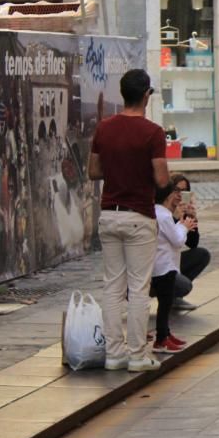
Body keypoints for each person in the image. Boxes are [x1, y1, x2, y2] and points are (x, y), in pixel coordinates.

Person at [88, 69, 169, 372]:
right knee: (138, 288)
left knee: (111, 286)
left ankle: (114, 354)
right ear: (147, 95)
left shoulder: (104, 128)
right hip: (138, 216)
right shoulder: (152, 132)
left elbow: (93, 171)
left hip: (109, 214)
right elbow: (161, 179)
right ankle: (137, 355)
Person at [150, 181, 194, 354]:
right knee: (165, 304)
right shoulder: (164, 216)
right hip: (164, 267)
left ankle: (166, 334)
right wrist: (184, 226)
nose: (177, 196)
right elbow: (177, 240)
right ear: (167, 195)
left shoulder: (159, 213)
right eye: (174, 192)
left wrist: (180, 225)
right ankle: (161, 339)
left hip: (161, 265)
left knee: (165, 303)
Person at [169, 174, 209, 311]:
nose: (180, 195)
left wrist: (192, 219)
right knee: (184, 285)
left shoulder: (182, 211)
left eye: (184, 191)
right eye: (176, 190)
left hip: (173, 262)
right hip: (158, 265)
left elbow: (193, 244)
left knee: (202, 254)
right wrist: (174, 218)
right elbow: (169, 238)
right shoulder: (161, 211)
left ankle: (174, 297)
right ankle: (169, 295)